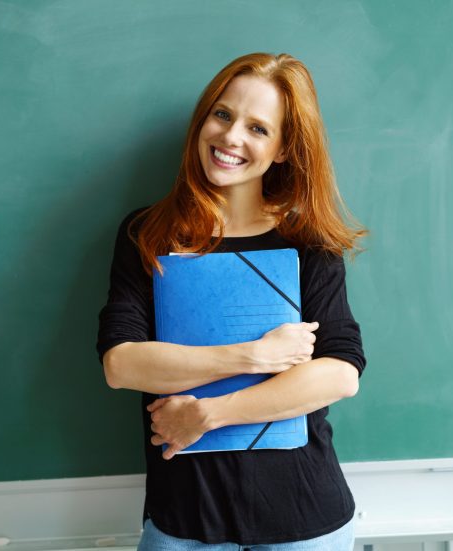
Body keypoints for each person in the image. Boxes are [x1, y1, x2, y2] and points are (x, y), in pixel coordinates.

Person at [96, 52, 366, 550]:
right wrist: (254, 356)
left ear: (284, 149)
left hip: (306, 520)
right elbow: (122, 364)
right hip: (184, 521)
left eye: (259, 129)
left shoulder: (308, 243)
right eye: (222, 114)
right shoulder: (148, 234)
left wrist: (212, 413)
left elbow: (340, 372)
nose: (231, 137)